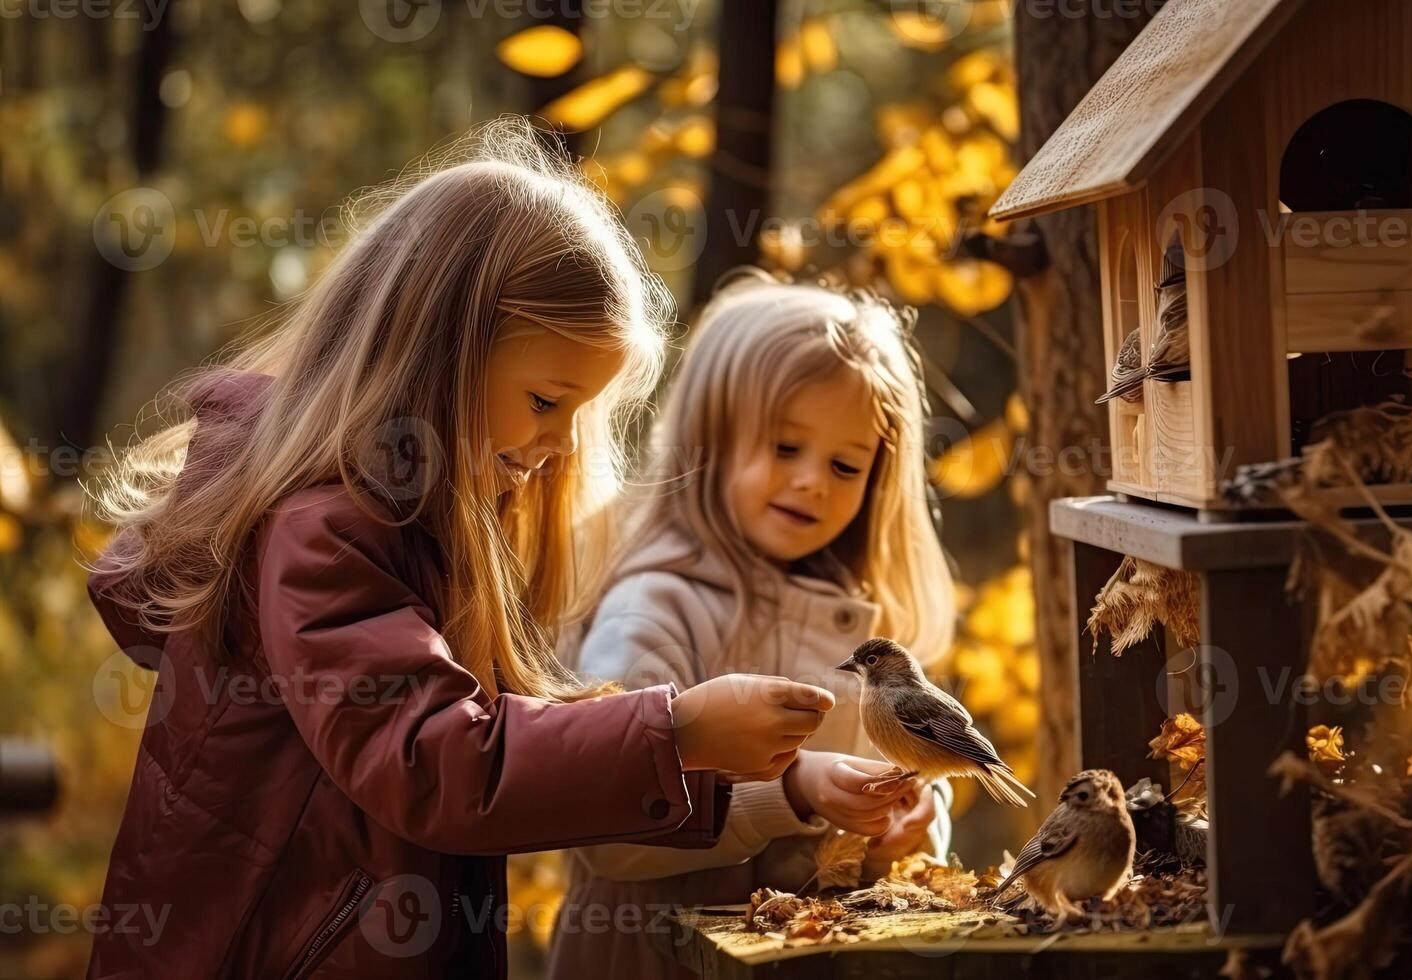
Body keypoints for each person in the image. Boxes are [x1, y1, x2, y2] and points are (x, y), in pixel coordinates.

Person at [82, 122, 833, 980]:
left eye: (579, 413)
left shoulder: (418, 530)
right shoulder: (324, 532)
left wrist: (779, 786)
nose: (560, 442)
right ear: (438, 354)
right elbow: (440, 765)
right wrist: (680, 727)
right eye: (547, 400)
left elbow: (518, 762)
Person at [549, 272, 957, 978]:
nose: (812, 483)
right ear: (710, 443)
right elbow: (605, 827)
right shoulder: (654, 607)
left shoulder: (862, 623)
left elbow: (884, 812)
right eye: (785, 448)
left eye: (844, 464)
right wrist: (789, 792)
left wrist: (909, 821)